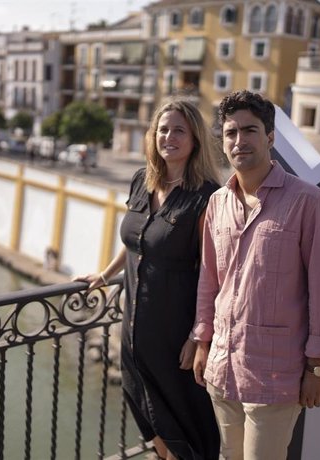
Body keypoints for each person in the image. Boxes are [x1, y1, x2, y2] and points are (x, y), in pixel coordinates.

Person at [191, 90, 320, 460]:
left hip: (275, 372)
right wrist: (202, 340)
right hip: (222, 365)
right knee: (229, 456)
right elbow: (209, 278)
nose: (239, 141)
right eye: (230, 133)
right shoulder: (218, 203)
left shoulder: (309, 202)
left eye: (250, 130)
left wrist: (318, 366)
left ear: (270, 137)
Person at [76, 99, 222, 459]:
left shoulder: (205, 196)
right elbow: (137, 241)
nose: (169, 136)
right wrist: (105, 274)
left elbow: (211, 272)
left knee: (183, 424)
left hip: (174, 334)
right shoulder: (142, 180)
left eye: (179, 130)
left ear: (195, 140)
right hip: (133, 330)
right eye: (163, 129)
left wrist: (197, 337)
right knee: (146, 412)